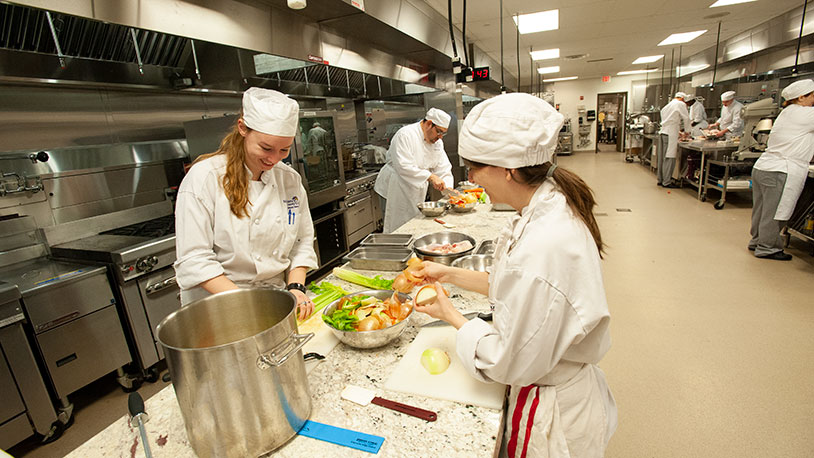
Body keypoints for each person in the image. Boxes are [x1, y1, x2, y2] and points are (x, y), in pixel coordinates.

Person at [414, 93, 617, 457]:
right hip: (556, 387)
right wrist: (448, 273)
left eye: (475, 168)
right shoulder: (545, 202)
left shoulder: (543, 246)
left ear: (507, 169)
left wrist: (451, 315)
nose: (472, 178)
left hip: (552, 415)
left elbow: (507, 361)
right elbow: (511, 284)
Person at [174, 88, 318, 320]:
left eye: (284, 150)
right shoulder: (205, 178)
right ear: (242, 128)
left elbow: (301, 242)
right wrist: (250, 306)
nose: (274, 159)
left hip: (275, 298)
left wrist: (296, 288)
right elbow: (195, 260)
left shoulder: (288, 179)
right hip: (219, 306)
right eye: (266, 148)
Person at [748, 79, 814, 261]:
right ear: (801, 97)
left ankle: (757, 241)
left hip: (764, 167)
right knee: (774, 212)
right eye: (812, 96)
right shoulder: (805, 114)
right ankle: (767, 247)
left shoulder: (787, 112)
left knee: (761, 210)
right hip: (780, 170)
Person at [374, 108, 454, 232]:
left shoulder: (437, 142)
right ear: (428, 124)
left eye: (443, 133)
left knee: (413, 223)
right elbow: (403, 166)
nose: (440, 137)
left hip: (417, 186)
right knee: (396, 225)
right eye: (439, 132)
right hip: (396, 185)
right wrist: (431, 177)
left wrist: (448, 188)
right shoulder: (405, 135)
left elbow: (443, 166)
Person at [657, 92, 691, 188]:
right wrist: (687, 132)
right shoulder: (680, 104)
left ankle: (660, 179)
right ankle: (667, 182)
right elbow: (686, 118)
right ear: (683, 99)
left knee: (661, 157)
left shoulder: (668, 105)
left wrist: (679, 132)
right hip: (670, 133)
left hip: (663, 132)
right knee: (669, 157)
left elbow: (668, 120)